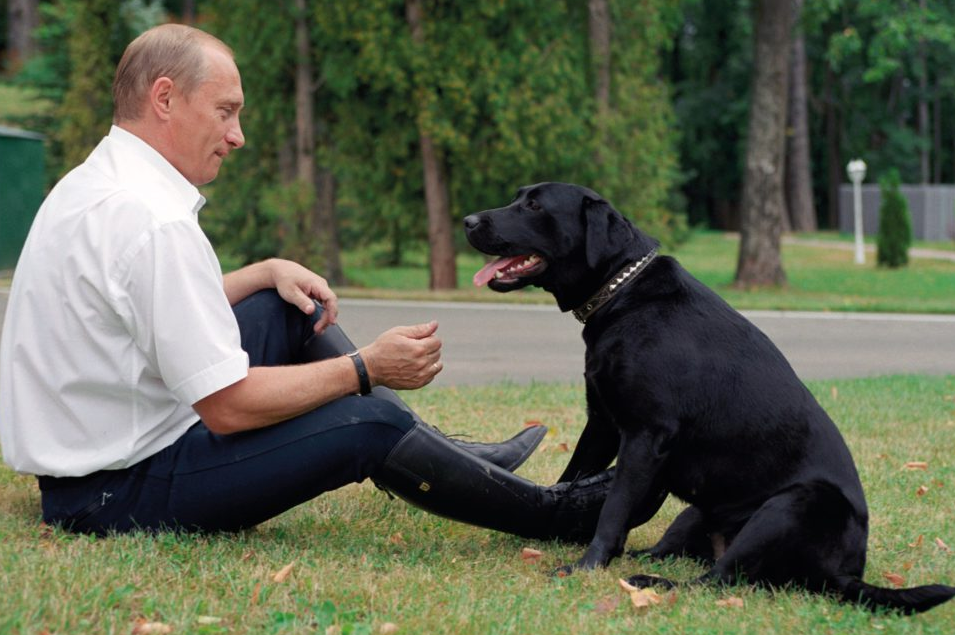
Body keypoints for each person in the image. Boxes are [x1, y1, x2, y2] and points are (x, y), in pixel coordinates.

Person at [0, 23, 614, 540]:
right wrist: (366, 368)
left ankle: (448, 455)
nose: (237, 135)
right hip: (111, 493)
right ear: (164, 98)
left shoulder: (96, 181)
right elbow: (227, 406)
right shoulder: (150, 219)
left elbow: (139, 309)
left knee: (285, 306)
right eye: (225, 111)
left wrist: (265, 272)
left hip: (95, 457)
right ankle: (554, 516)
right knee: (369, 423)